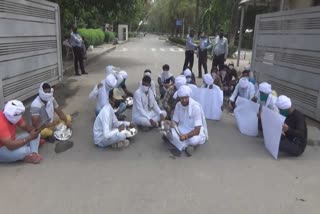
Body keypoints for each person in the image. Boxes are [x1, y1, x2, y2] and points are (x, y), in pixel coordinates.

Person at [164, 85, 208, 155]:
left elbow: (197, 130)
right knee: (168, 132)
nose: (184, 100)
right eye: (182, 98)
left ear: (189, 97)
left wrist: (186, 136)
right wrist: (170, 124)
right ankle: (186, 147)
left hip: (193, 131)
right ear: (179, 98)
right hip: (181, 129)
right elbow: (175, 122)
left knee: (193, 140)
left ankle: (181, 144)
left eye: (186, 98)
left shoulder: (195, 107)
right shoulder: (178, 105)